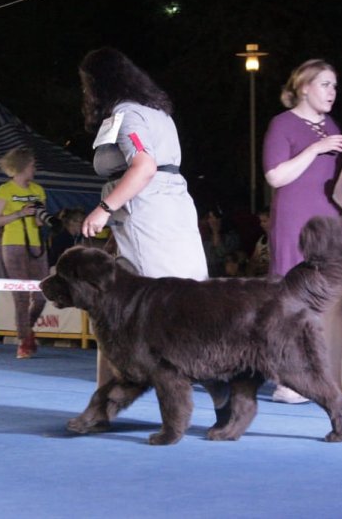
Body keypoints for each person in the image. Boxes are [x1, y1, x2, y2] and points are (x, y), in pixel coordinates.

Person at [77, 47, 227, 416]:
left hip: (149, 217)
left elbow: (142, 167)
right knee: (183, 311)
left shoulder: (127, 115)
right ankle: (224, 392)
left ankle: (106, 403)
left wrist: (104, 209)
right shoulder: (157, 114)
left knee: (138, 314)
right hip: (167, 212)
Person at [263, 58, 342, 405]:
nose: (332, 92)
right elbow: (276, 176)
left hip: (333, 223)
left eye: (335, 85)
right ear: (303, 87)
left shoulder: (330, 125)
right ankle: (289, 381)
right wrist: (315, 149)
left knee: (334, 305)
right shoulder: (283, 124)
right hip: (297, 223)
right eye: (325, 84)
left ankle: (332, 381)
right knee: (295, 302)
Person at [0, 146, 49, 359]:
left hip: (36, 245)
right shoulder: (5, 190)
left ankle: (27, 330)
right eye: (32, 165)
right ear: (22, 166)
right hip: (13, 244)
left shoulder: (38, 190)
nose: (34, 168)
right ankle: (23, 341)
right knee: (21, 296)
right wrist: (19, 214)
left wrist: (42, 217)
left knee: (43, 294)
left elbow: (41, 221)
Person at [200, 206, 241, 277]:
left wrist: (215, 231)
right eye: (209, 217)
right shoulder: (203, 240)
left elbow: (220, 254)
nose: (211, 221)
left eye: (214, 217)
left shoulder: (232, 238)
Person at [246, 207, 271, 276]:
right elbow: (253, 260)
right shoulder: (262, 240)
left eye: (265, 221)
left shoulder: (280, 240)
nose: (261, 224)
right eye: (261, 221)